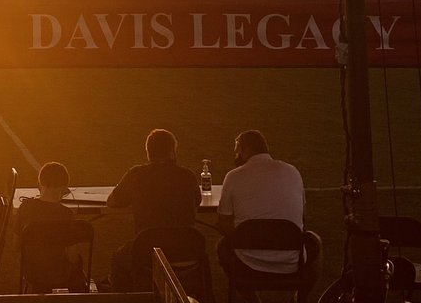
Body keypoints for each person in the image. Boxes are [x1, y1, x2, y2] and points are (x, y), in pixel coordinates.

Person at [216, 130, 322, 303]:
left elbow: (223, 224)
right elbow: (302, 218)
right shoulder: (292, 172)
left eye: (237, 150)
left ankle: (251, 299)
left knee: (222, 246)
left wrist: (243, 232)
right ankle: (300, 298)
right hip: (291, 259)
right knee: (315, 241)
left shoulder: (233, 176)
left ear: (245, 150)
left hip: (246, 261)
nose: (236, 155)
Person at [106, 128, 200, 288]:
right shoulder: (188, 176)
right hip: (186, 248)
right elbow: (196, 201)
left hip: (148, 249)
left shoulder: (136, 174)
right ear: (172, 152)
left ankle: (131, 294)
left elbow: (112, 202)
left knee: (118, 258)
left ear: (149, 152)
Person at [15, 162, 88, 291]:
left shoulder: (25, 208)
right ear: (64, 188)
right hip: (60, 274)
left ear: (40, 184)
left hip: (32, 272)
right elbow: (73, 256)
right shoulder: (67, 215)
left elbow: (16, 245)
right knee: (78, 265)